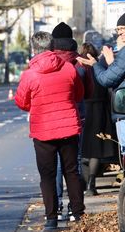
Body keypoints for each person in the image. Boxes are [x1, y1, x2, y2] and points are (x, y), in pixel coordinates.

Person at [15, 31, 85, 230]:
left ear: (34, 49)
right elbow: (79, 94)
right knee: (71, 172)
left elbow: (21, 101)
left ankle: (52, 218)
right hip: (69, 126)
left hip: (43, 130)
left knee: (47, 175)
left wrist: (35, 105)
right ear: (52, 47)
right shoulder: (69, 69)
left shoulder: (30, 74)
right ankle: (79, 214)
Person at [51, 22, 88, 219]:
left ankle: (56, 206)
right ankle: (76, 209)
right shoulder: (79, 65)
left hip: (51, 119)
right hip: (77, 117)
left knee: (56, 164)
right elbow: (87, 91)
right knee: (76, 162)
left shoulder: (47, 64)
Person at [77, 13, 125, 160]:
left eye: (123, 28)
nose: (120, 33)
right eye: (118, 30)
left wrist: (96, 65)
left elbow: (106, 79)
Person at [78, 42, 118, 196]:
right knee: (96, 149)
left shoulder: (78, 68)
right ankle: (91, 184)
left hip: (83, 109)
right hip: (100, 110)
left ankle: (82, 182)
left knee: (82, 149)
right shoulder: (99, 66)